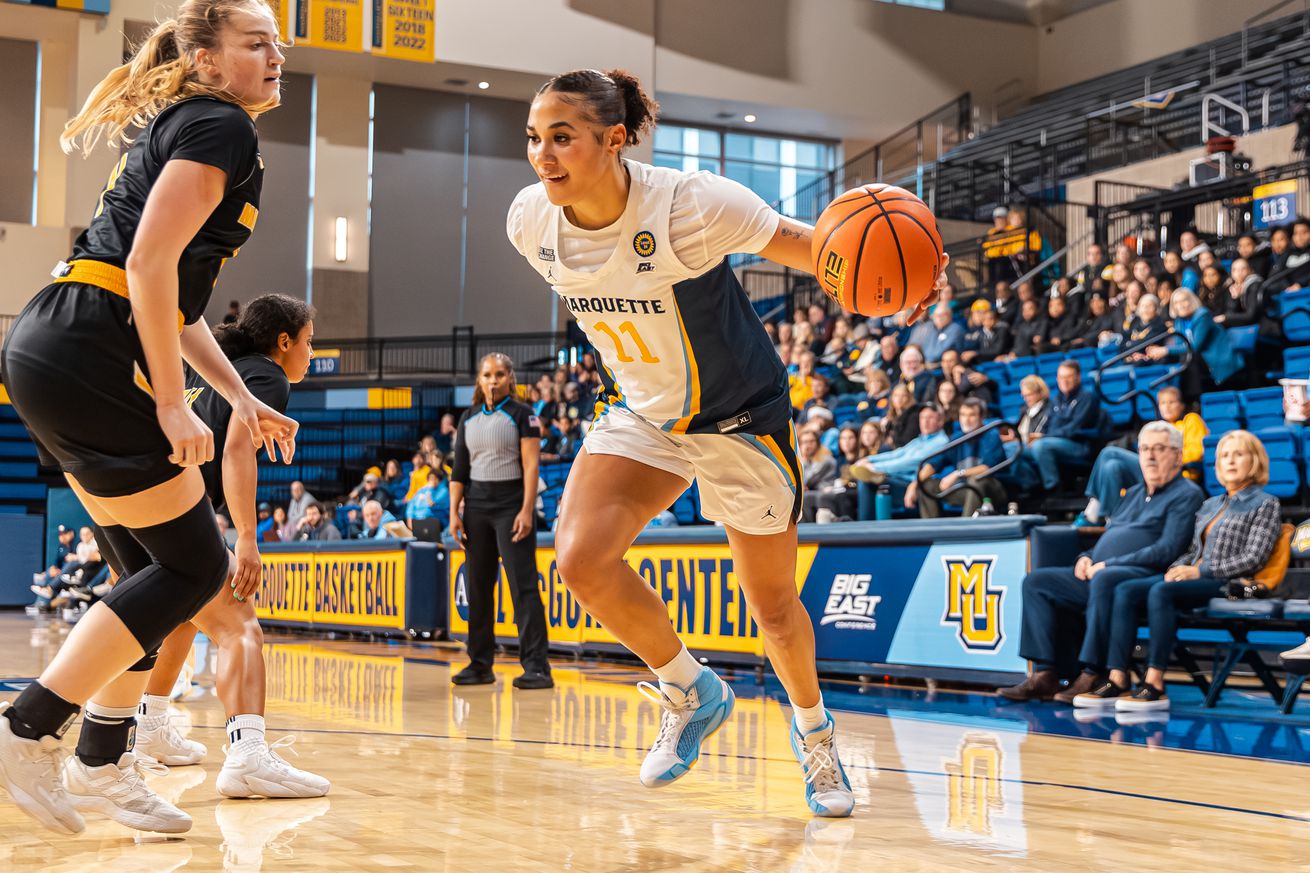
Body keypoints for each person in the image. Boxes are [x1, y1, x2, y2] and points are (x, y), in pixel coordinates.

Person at [505, 69, 947, 817]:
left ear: (615, 140)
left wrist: (899, 284)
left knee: (773, 608)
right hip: (647, 415)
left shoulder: (689, 204)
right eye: (534, 139)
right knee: (579, 560)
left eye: (561, 137)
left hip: (737, 415)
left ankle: (816, 739)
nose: (542, 155)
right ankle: (690, 688)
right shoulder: (528, 220)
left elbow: (817, 250)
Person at [0, 0, 296, 836]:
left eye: (277, 42)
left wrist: (238, 395)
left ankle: (100, 755)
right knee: (195, 568)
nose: (275, 56)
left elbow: (180, 298)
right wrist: (172, 402)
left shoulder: (192, 120)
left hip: (56, 343)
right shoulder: (221, 126)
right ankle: (27, 729)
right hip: (89, 346)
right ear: (205, 59)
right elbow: (147, 262)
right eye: (254, 43)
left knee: (145, 574)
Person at [134, 293, 328, 799]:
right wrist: (247, 536)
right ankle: (247, 755)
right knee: (240, 624)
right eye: (308, 342)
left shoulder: (209, 371)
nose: (311, 352)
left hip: (138, 504)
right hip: (176, 505)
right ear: (283, 343)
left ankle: (149, 724)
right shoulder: (267, 375)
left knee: (182, 612)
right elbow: (239, 449)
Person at [998, 421, 1205, 702]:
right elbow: (1107, 538)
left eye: (1159, 449)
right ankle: (1045, 674)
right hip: (1101, 573)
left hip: (1141, 576)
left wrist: (1108, 565)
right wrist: (1086, 558)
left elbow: (1167, 549)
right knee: (1037, 582)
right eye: (1145, 449)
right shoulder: (1132, 493)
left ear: (1178, 456)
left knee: (1107, 579)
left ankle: (1091, 672)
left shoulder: (1187, 494)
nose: (1150, 456)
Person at [1088, 430, 1281, 711]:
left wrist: (1200, 572)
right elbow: (1190, 551)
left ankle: (1154, 680)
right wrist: (1177, 568)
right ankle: (1117, 676)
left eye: (1239, 454)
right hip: (1193, 578)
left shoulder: (1265, 503)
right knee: (1126, 590)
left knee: (1161, 592)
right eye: (1224, 456)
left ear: (1255, 461)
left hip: (1229, 583)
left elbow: (1253, 558)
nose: (1230, 461)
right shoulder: (1210, 504)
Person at [449, 353, 552, 691]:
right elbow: (460, 471)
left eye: (498, 374)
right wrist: (454, 512)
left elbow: (531, 467)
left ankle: (537, 667)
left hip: (512, 507)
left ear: (510, 376)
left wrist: (526, 509)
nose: (492, 380)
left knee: (523, 588)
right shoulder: (468, 417)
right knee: (478, 590)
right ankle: (479, 664)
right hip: (476, 508)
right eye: (486, 375)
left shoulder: (524, 415)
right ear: (479, 380)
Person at [1074, 386, 1208, 525]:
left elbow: (1196, 453)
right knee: (1112, 466)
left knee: (1109, 452)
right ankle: (1112, 519)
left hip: (1176, 474)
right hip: (1150, 474)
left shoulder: (1190, 420)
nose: (1167, 407)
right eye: (1162, 403)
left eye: (1171, 402)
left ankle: (1093, 506)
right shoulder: (1157, 426)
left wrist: (1165, 457)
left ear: (1181, 405)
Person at [914, 398, 1006, 518]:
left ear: (982, 417)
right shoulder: (957, 438)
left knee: (977, 480)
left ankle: (965, 528)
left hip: (992, 491)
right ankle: (931, 529)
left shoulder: (991, 435)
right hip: (966, 489)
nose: (966, 420)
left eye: (972, 415)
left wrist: (958, 473)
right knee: (927, 486)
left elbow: (986, 468)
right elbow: (934, 464)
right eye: (963, 415)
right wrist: (915, 483)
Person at [1024, 360, 1102, 491]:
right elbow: (1046, 425)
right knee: (1012, 449)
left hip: (1078, 445)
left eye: (1068, 377)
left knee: (1041, 445)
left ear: (1078, 377)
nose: (1064, 381)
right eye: (1061, 377)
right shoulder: (1056, 400)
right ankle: (1032, 486)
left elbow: (1074, 428)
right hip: (1051, 443)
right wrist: (1038, 437)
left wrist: (1044, 437)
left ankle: (1053, 488)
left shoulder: (1087, 397)